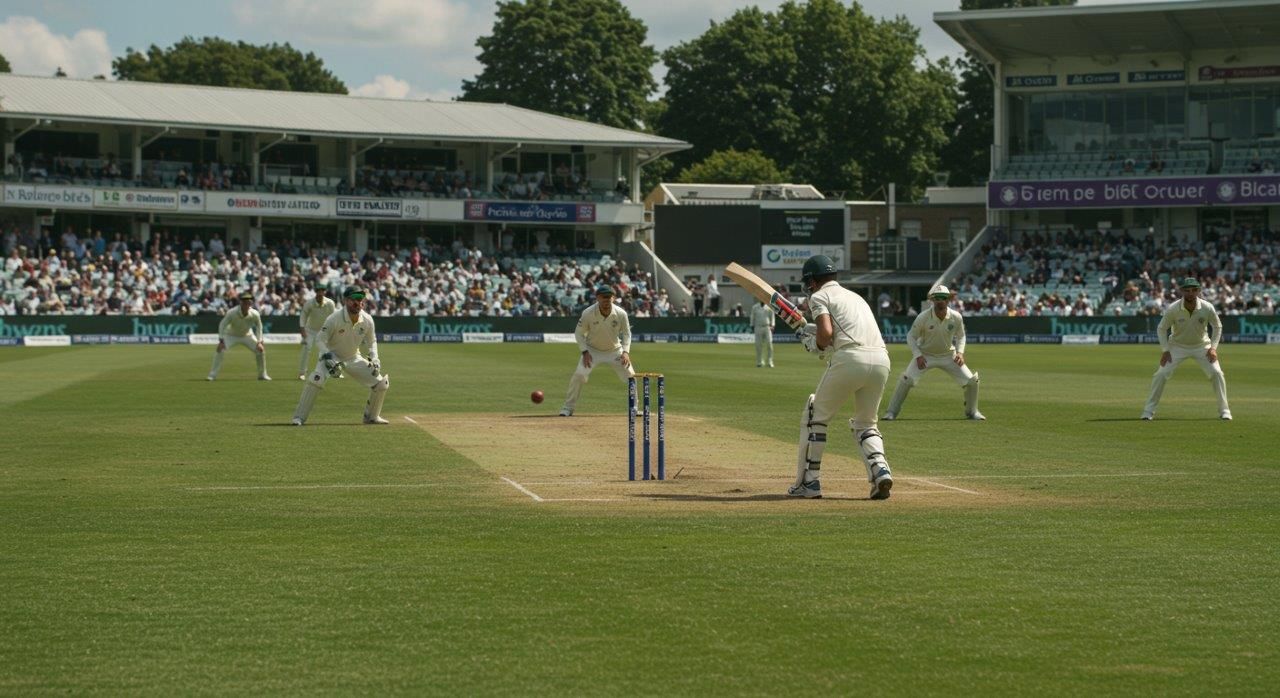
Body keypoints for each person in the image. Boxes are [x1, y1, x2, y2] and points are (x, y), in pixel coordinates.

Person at [792, 255, 893, 500]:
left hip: (850, 359)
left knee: (815, 416)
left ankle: (809, 482)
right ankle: (880, 470)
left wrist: (813, 344)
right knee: (866, 423)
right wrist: (818, 341)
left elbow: (826, 334)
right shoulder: (856, 297)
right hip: (881, 359)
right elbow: (840, 331)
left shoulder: (819, 297)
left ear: (812, 281)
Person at [292, 286, 390, 426]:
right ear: (346, 301)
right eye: (354, 299)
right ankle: (298, 417)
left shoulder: (367, 320)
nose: (358, 303)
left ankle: (372, 416)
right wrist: (327, 356)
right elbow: (320, 339)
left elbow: (372, 341)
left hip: (352, 357)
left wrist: (375, 358)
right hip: (331, 357)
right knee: (316, 380)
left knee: (381, 384)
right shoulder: (334, 318)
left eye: (360, 299)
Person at [883, 285, 984, 421]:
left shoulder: (956, 317)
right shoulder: (923, 317)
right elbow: (911, 336)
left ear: (948, 300)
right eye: (937, 298)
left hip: (949, 356)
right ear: (932, 300)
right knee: (906, 380)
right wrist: (918, 355)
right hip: (925, 356)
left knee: (972, 381)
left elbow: (961, 336)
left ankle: (972, 411)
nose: (940, 301)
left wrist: (960, 353)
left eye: (943, 298)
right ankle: (891, 412)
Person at [1142, 277, 1231, 421]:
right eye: (1187, 290)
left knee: (1217, 373)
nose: (1190, 293)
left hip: (1202, 346)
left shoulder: (1207, 307)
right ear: (1182, 291)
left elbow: (1217, 326)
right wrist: (1165, 350)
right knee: (1161, 374)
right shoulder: (1173, 308)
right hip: (1177, 346)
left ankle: (1225, 411)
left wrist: (1213, 348)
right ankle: (1148, 411)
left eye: (1194, 290)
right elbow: (1161, 328)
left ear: (1199, 291)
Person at [558, 285, 634, 417]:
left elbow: (627, 334)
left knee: (631, 376)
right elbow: (579, 333)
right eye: (603, 298)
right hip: (592, 351)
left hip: (615, 350)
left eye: (609, 298)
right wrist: (585, 352)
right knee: (579, 375)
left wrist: (625, 352)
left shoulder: (621, 313)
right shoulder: (588, 313)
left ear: (613, 298)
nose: (606, 301)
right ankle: (568, 408)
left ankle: (634, 408)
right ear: (597, 298)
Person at [208, 290, 270, 381]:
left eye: (249, 302)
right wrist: (221, 340)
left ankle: (262, 375)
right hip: (231, 335)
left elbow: (259, 327)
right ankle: (212, 375)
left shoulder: (255, 314)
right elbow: (222, 324)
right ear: (241, 303)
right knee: (220, 349)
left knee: (260, 350)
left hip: (247, 335)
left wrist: (259, 341)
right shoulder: (231, 312)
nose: (247, 304)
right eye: (245, 302)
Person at [297, 282, 337, 380]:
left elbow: (333, 318)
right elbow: (303, 316)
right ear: (316, 292)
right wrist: (302, 329)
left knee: (326, 351)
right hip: (310, 330)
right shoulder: (309, 303)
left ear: (324, 292)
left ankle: (332, 370)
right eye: (318, 291)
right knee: (306, 349)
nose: (320, 293)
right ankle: (302, 373)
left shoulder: (330, 303)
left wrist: (333, 330)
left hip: (323, 331)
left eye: (322, 291)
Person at [749, 299, 775, 368]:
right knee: (758, 345)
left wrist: (772, 325)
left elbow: (772, 316)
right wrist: (752, 325)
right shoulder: (755, 307)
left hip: (767, 327)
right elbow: (752, 316)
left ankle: (770, 361)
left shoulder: (769, 307)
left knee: (769, 344)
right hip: (758, 327)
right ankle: (759, 362)